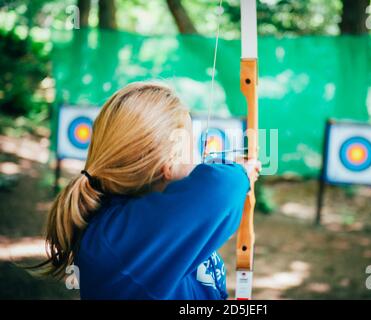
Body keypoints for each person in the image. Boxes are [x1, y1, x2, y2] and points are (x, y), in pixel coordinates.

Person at [38, 82, 260, 299]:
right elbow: (223, 186)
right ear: (170, 163)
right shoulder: (120, 240)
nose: (200, 159)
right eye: (192, 145)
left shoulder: (140, 214)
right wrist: (242, 173)